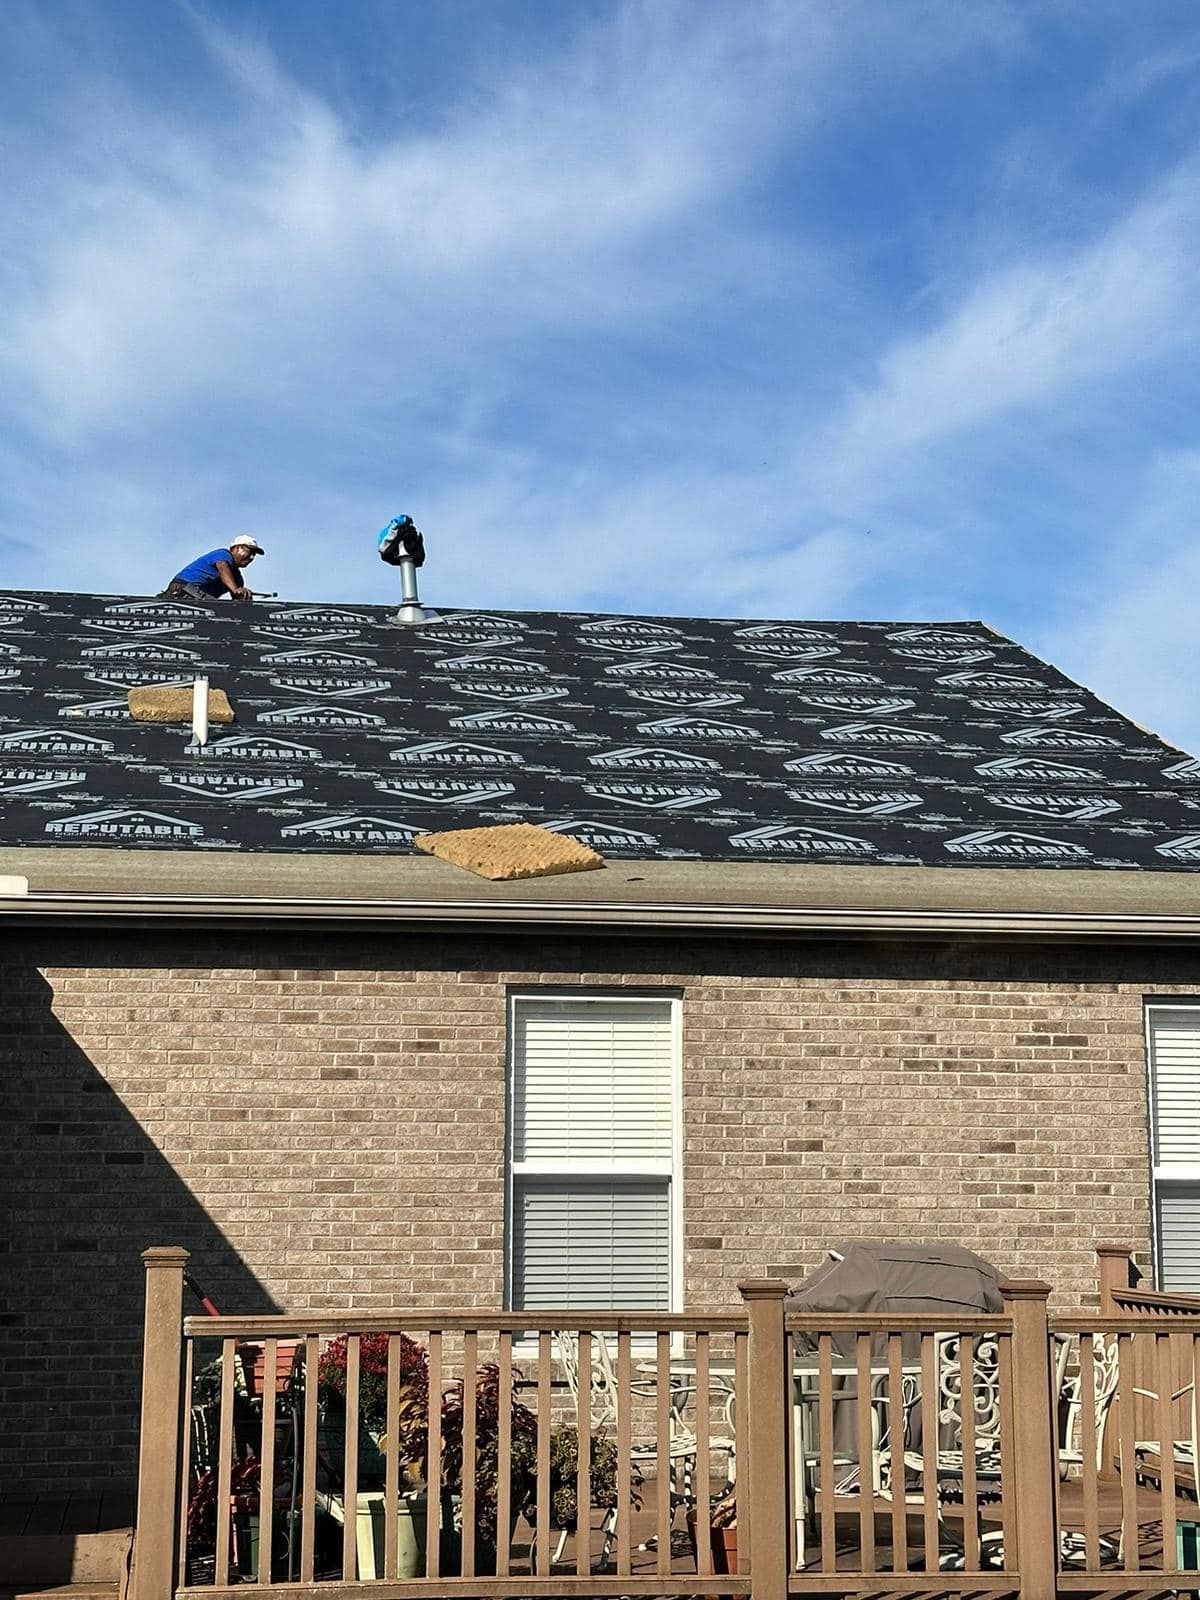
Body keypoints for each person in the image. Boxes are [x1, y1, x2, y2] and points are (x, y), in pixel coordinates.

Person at [162, 538, 265, 603]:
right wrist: (235, 589)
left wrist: (245, 598)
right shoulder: (223, 554)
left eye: (254, 555)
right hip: (183, 589)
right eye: (249, 551)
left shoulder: (237, 578)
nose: (251, 557)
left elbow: (237, 601)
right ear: (236, 548)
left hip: (201, 599)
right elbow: (223, 569)